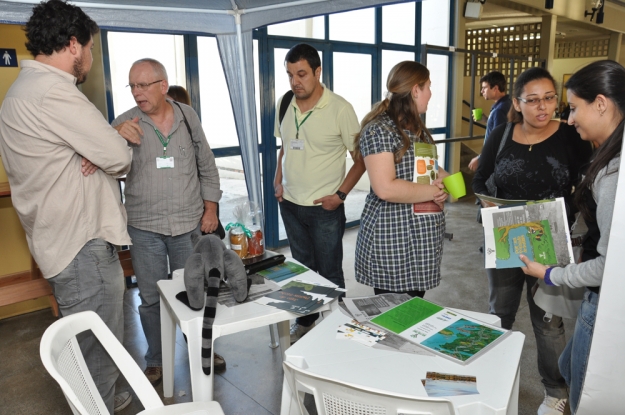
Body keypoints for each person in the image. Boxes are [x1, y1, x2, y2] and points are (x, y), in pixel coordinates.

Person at [0, 0, 133, 412]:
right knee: (97, 345)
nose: (91, 59)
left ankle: (106, 396)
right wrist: (101, 145)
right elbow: (119, 156)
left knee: (88, 343)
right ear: (73, 45)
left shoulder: (20, 92)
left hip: (59, 241)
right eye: (91, 49)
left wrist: (90, 148)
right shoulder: (54, 92)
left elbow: (87, 151)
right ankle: (98, 404)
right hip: (83, 247)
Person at [472, 66, 592, 415]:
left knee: (548, 321)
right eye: (533, 100)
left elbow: (586, 186)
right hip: (506, 237)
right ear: (517, 103)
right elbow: (481, 179)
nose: (543, 108)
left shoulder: (571, 136)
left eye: (550, 99)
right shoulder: (502, 134)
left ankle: (555, 392)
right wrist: (486, 201)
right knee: (500, 312)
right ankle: (493, 377)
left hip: (551, 241)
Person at [520, 60, 625, 414]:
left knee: (583, 392)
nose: (569, 117)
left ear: (601, 103)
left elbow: (610, 266)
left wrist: (550, 274)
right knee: (570, 365)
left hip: (605, 298)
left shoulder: (612, 172)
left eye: (573, 107)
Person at [112, 59, 223, 385]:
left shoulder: (188, 116)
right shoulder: (124, 122)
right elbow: (106, 164)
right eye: (132, 86)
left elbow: (206, 162)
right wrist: (115, 137)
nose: (137, 92)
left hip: (188, 223)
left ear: (163, 85)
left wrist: (211, 209)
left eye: (143, 85)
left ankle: (203, 350)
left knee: (195, 291)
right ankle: (157, 359)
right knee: (150, 298)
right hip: (144, 227)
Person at [273, 43, 366, 342]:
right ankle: (307, 318)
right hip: (289, 203)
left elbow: (360, 159)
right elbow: (284, 146)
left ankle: (335, 327)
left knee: (329, 271)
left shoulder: (340, 109)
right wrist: (278, 181)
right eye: (289, 75)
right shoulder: (285, 102)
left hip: (324, 208)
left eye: (301, 74)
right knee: (301, 268)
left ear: (317, 71)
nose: (295, 81)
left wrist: (339, 196)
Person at [353, 61, 449, 298]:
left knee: (414, 310)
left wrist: (451, 183)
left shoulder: (417, 130)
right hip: (394, 240)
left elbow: (430, 169)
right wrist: (435, 191)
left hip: (421, 238)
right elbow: (385, 188)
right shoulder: (379, 130)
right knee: (393, 317)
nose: (431, 93)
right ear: (416, 90)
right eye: (428, 87)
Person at [468, 71, 512, 172]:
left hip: (496, 160)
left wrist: (480, 158)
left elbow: (498, 139)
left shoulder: (499, 110)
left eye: (484, 88)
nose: (482, 91)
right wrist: (486, 120)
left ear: (495, 88)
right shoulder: (507, 103)